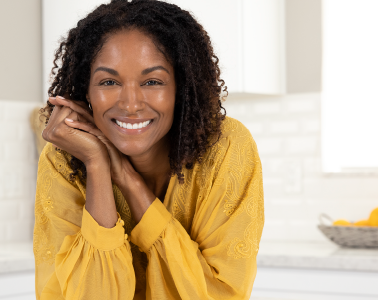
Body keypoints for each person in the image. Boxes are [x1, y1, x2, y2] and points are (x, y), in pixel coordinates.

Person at [34, 0, 264, 299]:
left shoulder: (224, 147)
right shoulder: (63, 158)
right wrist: (98, 165)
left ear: (180, 88)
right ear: (85, 90)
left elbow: (220, 294)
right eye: (109, 81)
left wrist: (127, 179)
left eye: (153, 81)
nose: (130, 104)